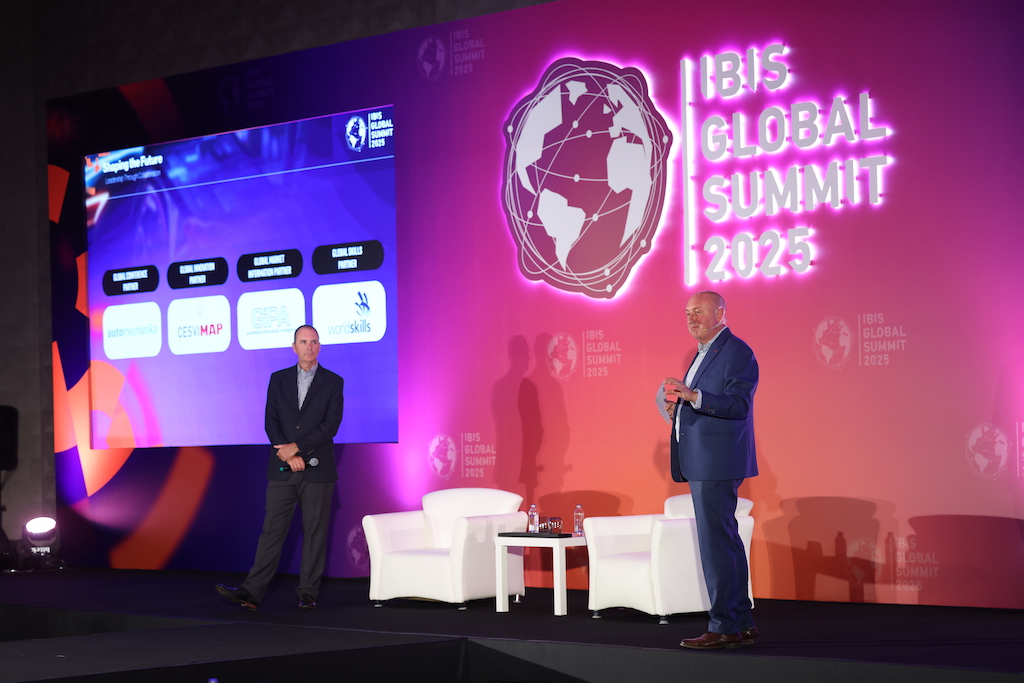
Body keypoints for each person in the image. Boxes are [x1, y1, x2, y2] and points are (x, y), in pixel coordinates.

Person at [216, 325, 344, 610]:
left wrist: (297, 448)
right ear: (294, 347)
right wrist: (287, 455)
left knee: (315, 532)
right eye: (303, 341)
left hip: (317, 469)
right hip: (282, 468)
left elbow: (330, 425)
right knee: (272, 531)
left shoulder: (334, 382)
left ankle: (308, 594)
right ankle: (251, 592)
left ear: (319, 346)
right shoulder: (278, 379)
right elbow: (270, 421)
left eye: (314, 342)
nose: (309, 346)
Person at [660, 291, 758, 649]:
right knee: (724, 541)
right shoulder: (703, 353)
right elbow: (704, 404)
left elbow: (738, 404)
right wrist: (679, 410)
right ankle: (741, 623)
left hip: (717, 462)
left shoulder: (736, 351)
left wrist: (694, 397)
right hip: (704, 460)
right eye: (688, 312)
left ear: (720, 313)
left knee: (717, 545)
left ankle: (723, 626)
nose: (691, 318)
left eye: (699, 311)